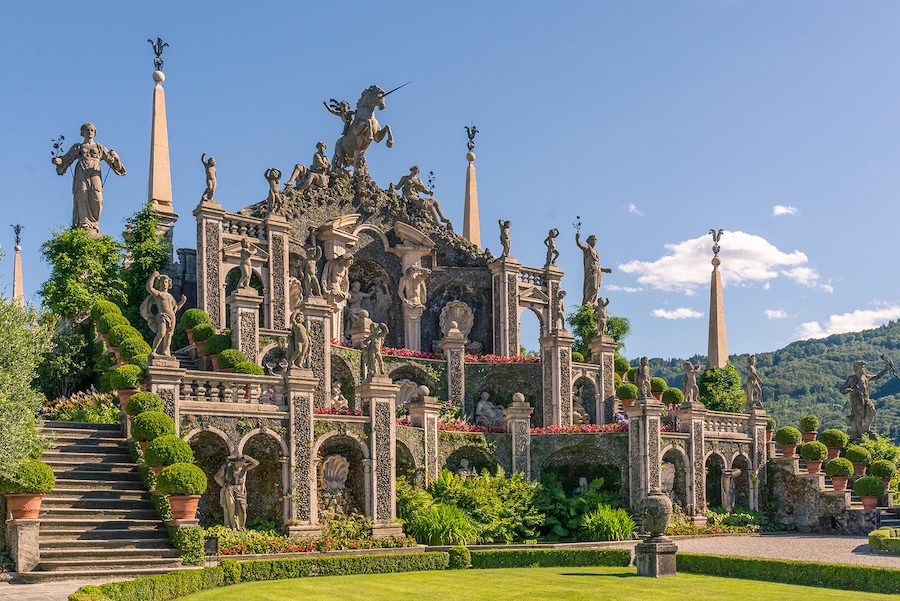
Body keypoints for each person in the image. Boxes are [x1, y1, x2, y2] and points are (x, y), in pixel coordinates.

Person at [52, 122, 126, 233]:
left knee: (97, 198)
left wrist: (116, 159)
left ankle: (94, 222)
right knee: (82, 195)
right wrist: (59, 161)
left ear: (95, 132)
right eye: (87, 130)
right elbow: (66, 159)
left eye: (92, 130)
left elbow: (111, 160)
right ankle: (84, 222)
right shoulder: (78, 147)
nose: (90, 132)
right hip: (81, 171)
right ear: (82, 132)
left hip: (94, 171)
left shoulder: (99, 147)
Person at [841, 359, 893, 440]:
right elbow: (842, 389)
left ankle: (867, 428)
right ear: (858, 368)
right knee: (858, 417)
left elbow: (877, 376)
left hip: (866, 399)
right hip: (857, 400)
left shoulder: (866, 377)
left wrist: (886, 369)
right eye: (862, 367)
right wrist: (847, 390)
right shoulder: (852, 378)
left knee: (872, 411)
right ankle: (859, 434)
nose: (863, 369)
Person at [141, 271, 186, 356]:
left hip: (172, 316)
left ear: (169, 284)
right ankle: (154, 351)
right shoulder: (158, 294)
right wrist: (153, 275)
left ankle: (165, 351)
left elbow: (175, 308)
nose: (164, 284)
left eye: (166, 282)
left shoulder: (170, 297)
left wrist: (182, 302)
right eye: (162, 282)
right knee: (161, 333)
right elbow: (149, 287)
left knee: (169, 334)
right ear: (159, 283)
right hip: (162, 315)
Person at [214, 455, 260, 530]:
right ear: (235, 462)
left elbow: (256, 463)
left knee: (242, 509)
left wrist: (248, 457)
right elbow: (217, 477)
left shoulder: (244, 468)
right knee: (231, 508)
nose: (241, 465)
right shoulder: (227, 467)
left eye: (243, 463)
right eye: (240, 463)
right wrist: (224, 484)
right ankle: (233, 528)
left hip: (240, 491)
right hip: (230, 490)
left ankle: (242, 527)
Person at [575, 232, 611, 306]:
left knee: (596, 290)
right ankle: (586, 306)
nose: (594, 241)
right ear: (588, 241)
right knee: (592, 287)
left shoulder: (597, 252)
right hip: (590, 272)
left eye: (595, 239)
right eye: (592, 239)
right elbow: (580, 245)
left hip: (597, 272)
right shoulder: (588, 248)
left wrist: (605, 270)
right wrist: (577, 239)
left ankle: (592, 306)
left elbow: (596, 265)